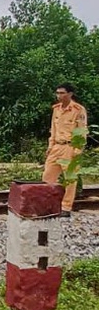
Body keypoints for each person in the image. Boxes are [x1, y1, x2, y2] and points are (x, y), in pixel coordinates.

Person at [42, 83, 88, 217]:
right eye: (57, 93)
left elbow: (81, 131)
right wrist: (50, 146)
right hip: (56, 146)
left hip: (70, 147)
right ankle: (48, 205)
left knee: (69, 179)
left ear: (70, 94)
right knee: (47, 177)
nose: (59, 96)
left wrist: (77, 150)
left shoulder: (78, 110)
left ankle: (66, 207)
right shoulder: (56, 109)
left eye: (62, 93)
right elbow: (53, 129)